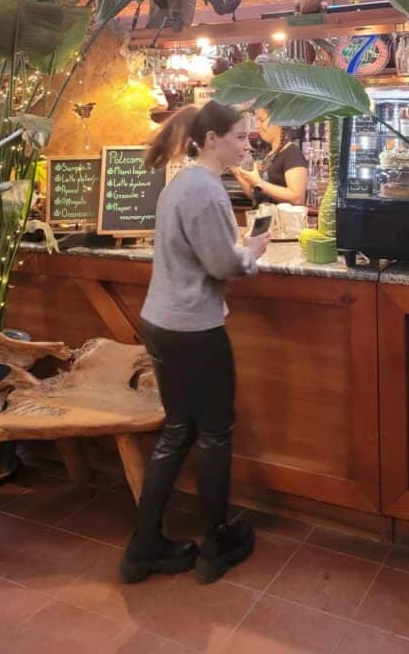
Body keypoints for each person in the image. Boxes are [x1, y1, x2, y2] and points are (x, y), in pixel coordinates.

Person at [120, 101, 270, 586]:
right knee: (214, 433)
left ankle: (143, 547)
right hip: (194, 328)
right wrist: (251, 252)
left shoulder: (180, 181)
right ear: (211, 140)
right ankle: (215, 544)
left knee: (177, 431)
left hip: (162, 321)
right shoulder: (206, 189)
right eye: (241, 137)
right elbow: (222, 266)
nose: (248, 145)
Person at [234, 108, 309, 205]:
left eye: (262, 120)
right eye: (256, 120)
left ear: (279, 121)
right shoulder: (268, 154)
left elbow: (297, 198)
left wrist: (258, 182)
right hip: (263, 218)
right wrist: (236, 170)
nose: (257, 126)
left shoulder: (292, 154)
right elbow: (255, 196)